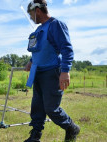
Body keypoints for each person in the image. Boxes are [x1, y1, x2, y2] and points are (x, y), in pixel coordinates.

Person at [24, 0, 80, 142]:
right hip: (37, 72)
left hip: (52, 72)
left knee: (51, 108)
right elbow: (38, 50)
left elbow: (67, 49)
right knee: (37, 106)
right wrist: (31, 62)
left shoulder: (56, 25)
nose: (30, 17)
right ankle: (35, 135)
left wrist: (65, 71)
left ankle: (71, 127)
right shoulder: (38, 30)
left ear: (37, 11)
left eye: (31, 14)